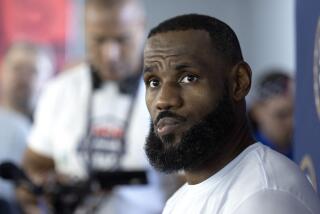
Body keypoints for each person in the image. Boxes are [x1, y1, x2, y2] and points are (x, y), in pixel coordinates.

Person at [142, 14, 320, 214]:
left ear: (239, 82)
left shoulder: (264, 196)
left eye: (188, 78)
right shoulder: (179, 201)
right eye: (153, 82)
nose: (163, 100)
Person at [18, 0, 166, 213]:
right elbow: (33, 169)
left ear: (142, 26)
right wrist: (43, 190)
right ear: (83, 30)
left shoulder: (172, 96)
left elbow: (191, 185)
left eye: (122, 40)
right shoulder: (58, 90)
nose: (110, 54)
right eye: (99, 40)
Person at [0, 42, 46, 214]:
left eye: (32, 71)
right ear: (3, 71)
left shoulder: (55, 136)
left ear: (47, 79)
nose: (23, 77)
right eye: (17, 68)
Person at [248, 71, 294, 158]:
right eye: (282, 115)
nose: (292, 123)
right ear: (256, 112)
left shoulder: (307, 150)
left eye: (298, 115)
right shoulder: (246, 156)